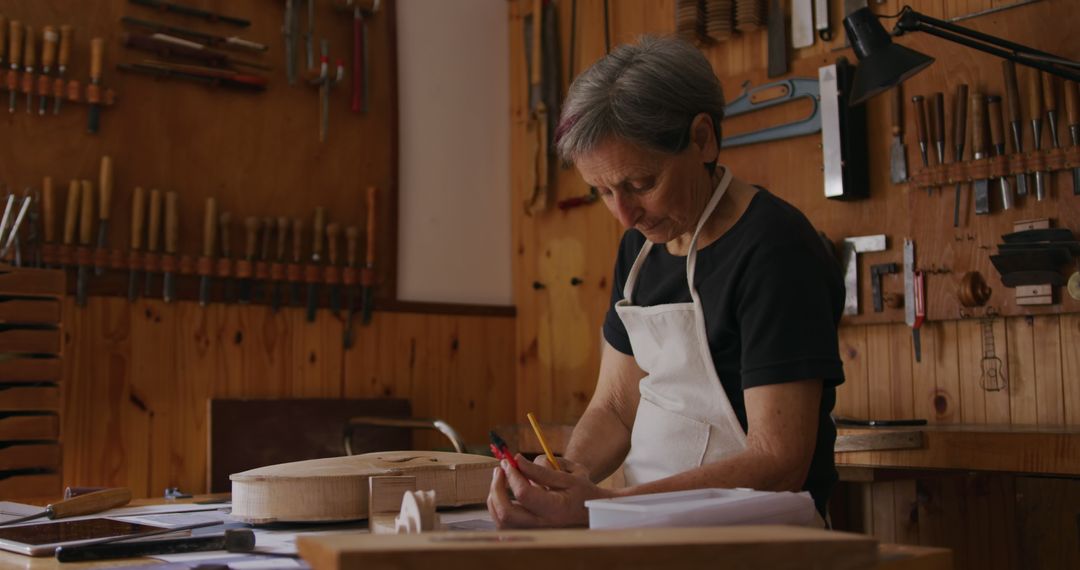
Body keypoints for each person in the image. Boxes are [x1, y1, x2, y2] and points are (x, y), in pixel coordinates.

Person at [487, 35, 845, 528]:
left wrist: (605, 507)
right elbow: (614, 405)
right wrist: (570, 471)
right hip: (649, 530)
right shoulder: (641, 248)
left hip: (760, 544)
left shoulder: (774, 248)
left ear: (702, 139)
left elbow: (779, 460)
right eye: (603, 192)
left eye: (640, 184)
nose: (624, 215)